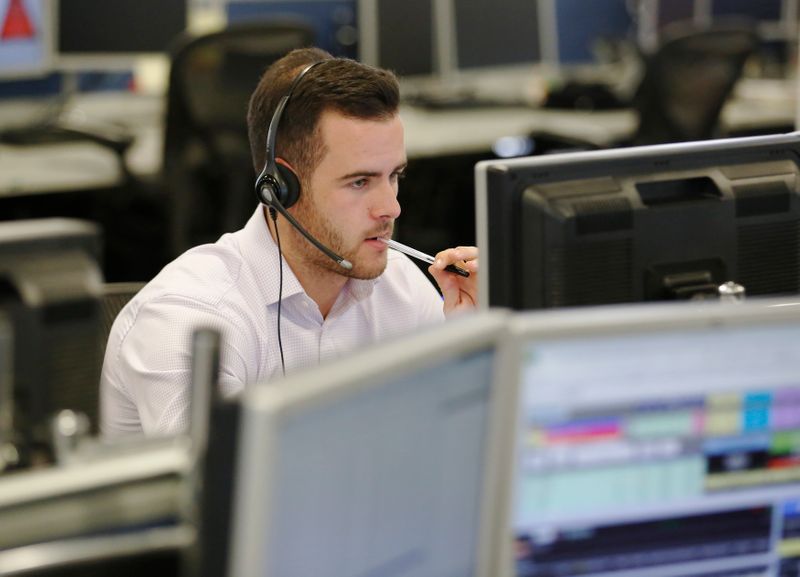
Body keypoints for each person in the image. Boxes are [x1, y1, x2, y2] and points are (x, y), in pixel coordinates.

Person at [100, 47, 478, 437]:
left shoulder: (400, 288)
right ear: (283, 188)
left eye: (394, 176)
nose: (391, 207)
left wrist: (472, 352)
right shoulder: (189, 319)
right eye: (360, 182)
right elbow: (229, 490)